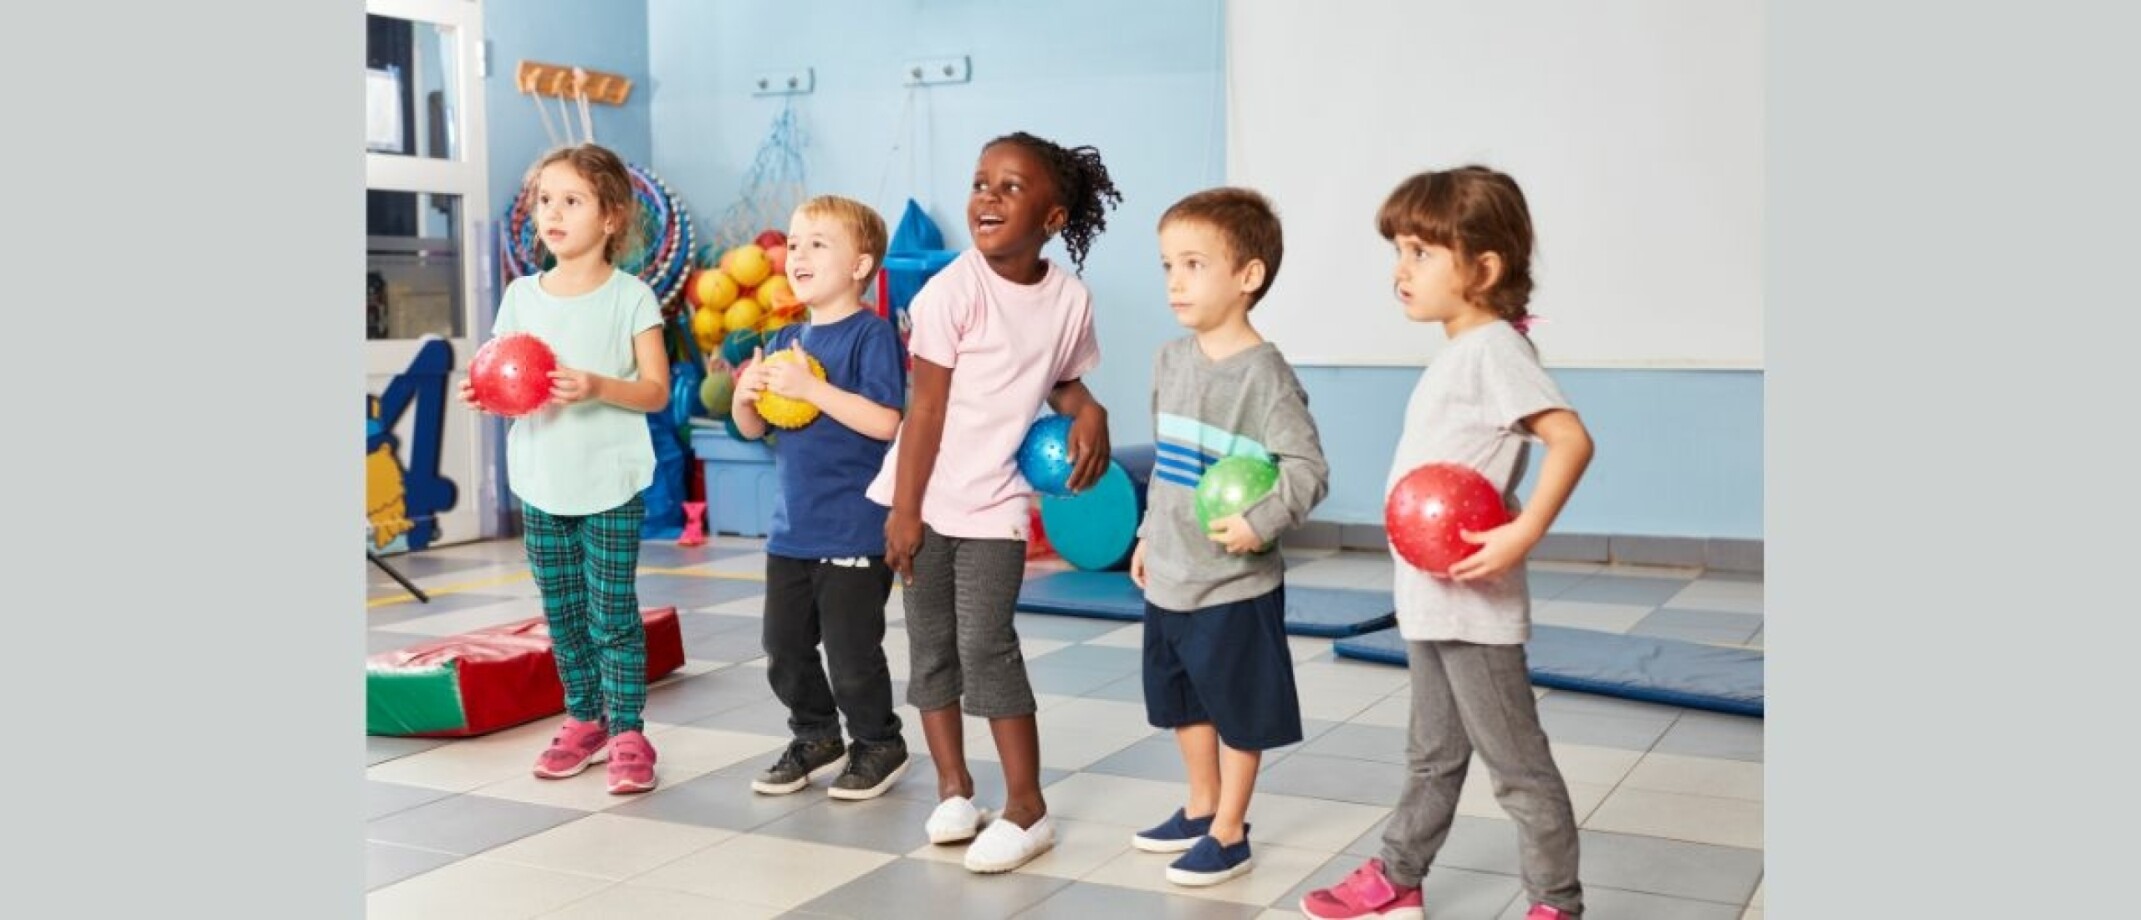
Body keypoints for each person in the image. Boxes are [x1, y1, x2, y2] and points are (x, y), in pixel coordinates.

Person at [1299, 165, 1596, 919]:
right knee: (1432, 755)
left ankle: (1555, 905)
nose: (1401, 270)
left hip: (1472, 606)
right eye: (1397, 251)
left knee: (1517, 767)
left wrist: (1523, 531)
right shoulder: (1463, 350)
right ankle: (1399, 879)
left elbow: (1570, 440)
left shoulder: (1495, 348)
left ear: (1483, 268)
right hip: (1432, 599)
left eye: (1420, 253)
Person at [865, 130, 1123, 874]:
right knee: (931, 645)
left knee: (986, 644)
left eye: (1011, 188)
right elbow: (926, 412)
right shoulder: (951, 290)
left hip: (995, 502)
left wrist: (1091, 410)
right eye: (981, 182)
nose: (987, 197)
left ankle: (1026, 807)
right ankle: (953, 789)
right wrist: (906, 510)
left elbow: (1060, 378)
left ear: (1051, 218)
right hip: (923, 493)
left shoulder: (1068, 299)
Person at [1126, 187, 1330, 887]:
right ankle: (1198, 804)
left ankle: (1230, 830)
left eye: (1193, 264)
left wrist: (1259, 522)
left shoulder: (1266, 378)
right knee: (1183, 698)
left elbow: (1307, 470)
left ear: (1247, 277)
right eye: (1166, 266)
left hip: (1234, 582)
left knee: (1237, 705)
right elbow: (1164, 469)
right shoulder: (1168, 361)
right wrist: (1149, 536)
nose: (1175, 281)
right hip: (1173, 574)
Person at [458, 143, 672, 795]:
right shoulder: (521, 296)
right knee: (562, 611)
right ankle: (585, 718)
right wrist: (485, 394)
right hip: (541, 482)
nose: (552, 212)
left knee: (612, 611)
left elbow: (656, 390)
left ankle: (629, 730)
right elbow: (505, 377)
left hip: (609, 481)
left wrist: (599, 385)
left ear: (610, 217)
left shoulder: (630, 297)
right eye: (545, 199)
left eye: (571, 200)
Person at [730, 195, 911, 801]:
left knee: (852, 651)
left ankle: (878, 741)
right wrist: (745, 395)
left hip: (855, 527)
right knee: (782, 647)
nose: (798, 253)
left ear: (860, 266)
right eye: (795, 242)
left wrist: (811, 386)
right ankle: (814, 734)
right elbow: (756, 430)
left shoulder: (871, 335)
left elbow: (887, 422)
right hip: (793, 529)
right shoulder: (785, 337)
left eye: (818, 243)